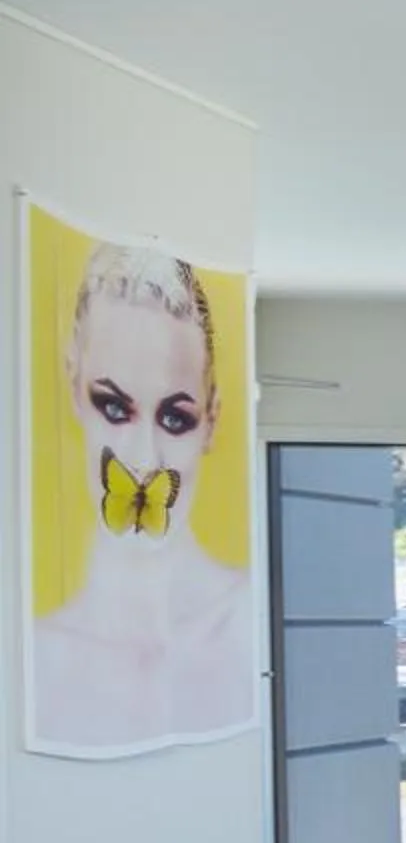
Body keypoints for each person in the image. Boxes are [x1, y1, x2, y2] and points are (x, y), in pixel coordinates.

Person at [28, 242, 252, 755]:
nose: (144, 458)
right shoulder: (34, 658)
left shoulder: (247, 626)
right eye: (113, 408)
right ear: (72, 386)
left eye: (176, 418)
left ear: (212, 418)